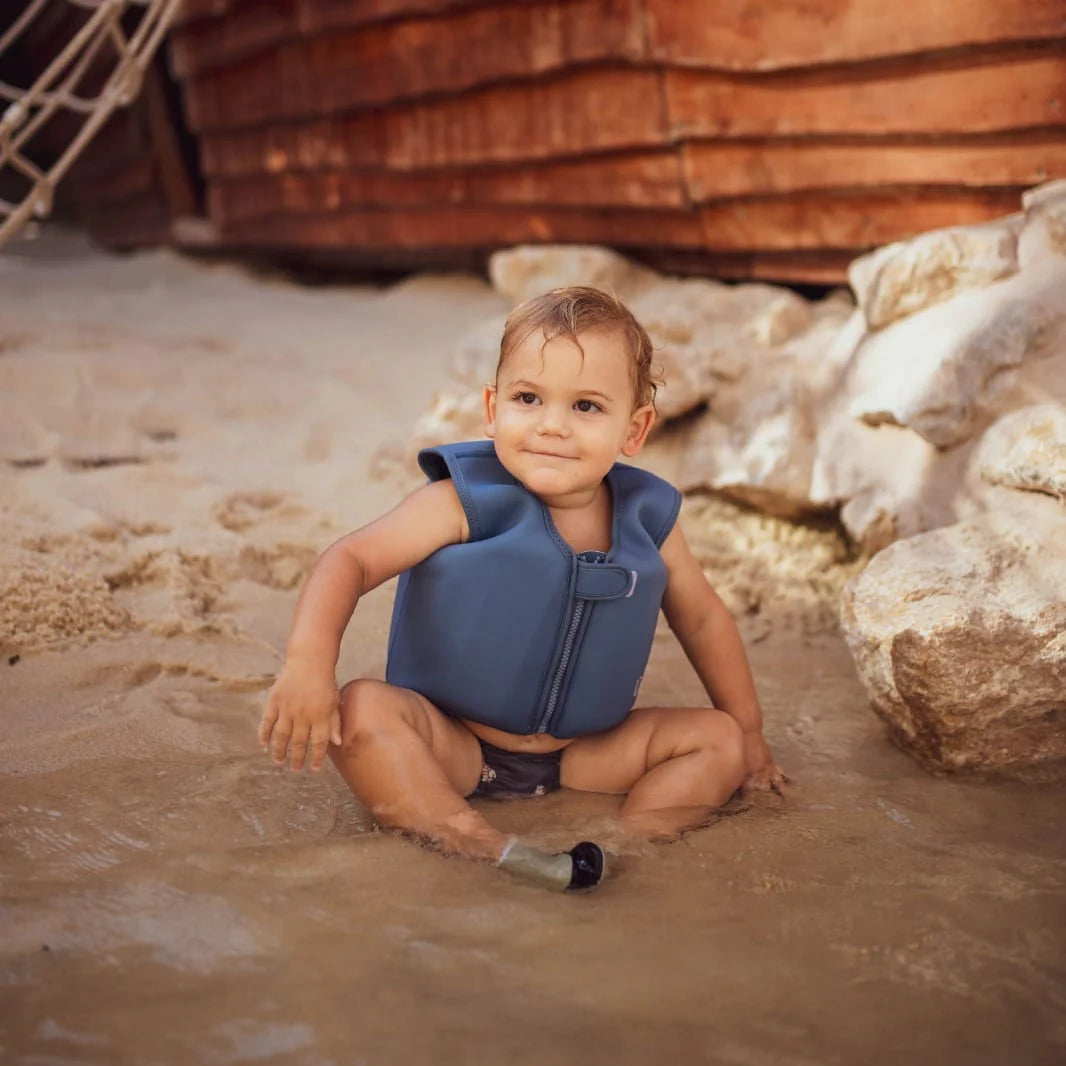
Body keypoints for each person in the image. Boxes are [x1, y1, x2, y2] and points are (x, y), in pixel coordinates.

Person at [258, 286, 785, 891]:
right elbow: (349, 560)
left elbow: (704, 620)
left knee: (718, 741)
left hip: (585, 755)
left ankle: (627, 848)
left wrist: (748, 729)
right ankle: (466, 834)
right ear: (492, 407)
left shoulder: (648, 522)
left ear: (634, 430)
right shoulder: (459, 503)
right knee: (360, 711)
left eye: (586, 406)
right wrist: (307, 665)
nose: (551, 425)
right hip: (455, 745)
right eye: (528, 398)